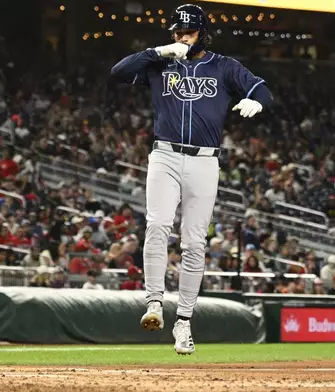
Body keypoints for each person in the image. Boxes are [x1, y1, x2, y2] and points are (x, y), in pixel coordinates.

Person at [110, 3, 272, 355]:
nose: (181, 37)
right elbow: (118, 72)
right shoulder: (160, 62)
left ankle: (183, 321)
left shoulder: (224, 66)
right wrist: (158, 51)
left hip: (204, 161)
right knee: (156, 226)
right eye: (177, 32)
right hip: (165, 154)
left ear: (203, 33)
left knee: (195, 243)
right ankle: (154, 303)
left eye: (188, 32)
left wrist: (257, 103)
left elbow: (262, 91)